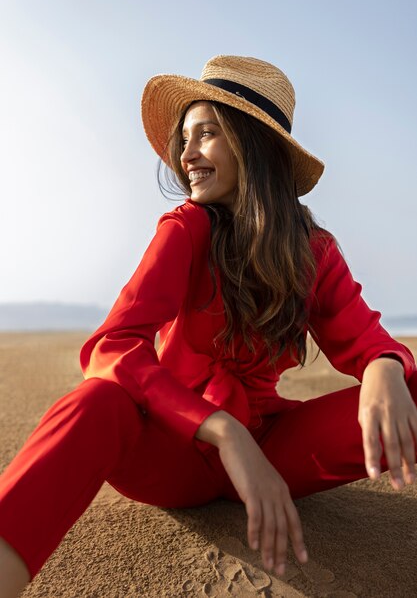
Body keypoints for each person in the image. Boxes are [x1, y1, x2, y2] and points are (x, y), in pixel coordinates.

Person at [0, 55, 416, 597]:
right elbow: (113, 344)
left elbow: (364, 337)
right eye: (185, 138)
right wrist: (225, 433)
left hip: (273, 451)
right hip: (175, 445)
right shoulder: (185, 230)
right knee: (93, 402)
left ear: (253, 147)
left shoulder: (313, 251)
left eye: (208, 134)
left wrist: (385, 365)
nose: (186, 154)